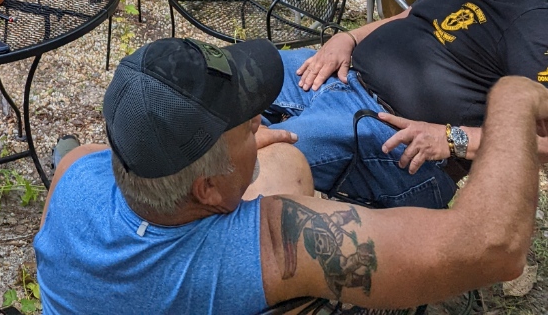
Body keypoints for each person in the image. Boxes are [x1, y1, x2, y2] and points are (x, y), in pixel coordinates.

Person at [35, 35, 547, 315]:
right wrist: (512, 99)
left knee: (284, 157)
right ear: (208, 190)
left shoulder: (75, 174)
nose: (261, 120)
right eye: (246, 123)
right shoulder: (271, 248)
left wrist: (225, 159)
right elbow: (491, 246)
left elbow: (104, 157)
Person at [267, 0, 548, 209]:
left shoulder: (533, 25)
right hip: (341, 78)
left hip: (388, 137)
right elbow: (408, 16)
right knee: (233, 75)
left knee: (268, 157)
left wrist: (451, 139)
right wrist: (349, 38)